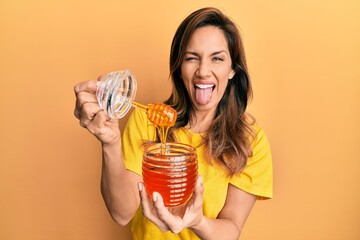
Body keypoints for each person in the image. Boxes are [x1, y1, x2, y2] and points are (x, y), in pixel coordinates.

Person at [74, 7, 272, 240]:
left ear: (232, 70)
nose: (203, 72)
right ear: (179, 67)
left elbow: (231, 231)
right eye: (191, 58)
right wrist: (110, 144)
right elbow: (121, 213)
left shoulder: (251, 142)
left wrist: (197, 221)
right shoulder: (145, 120)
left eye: (217, 58)